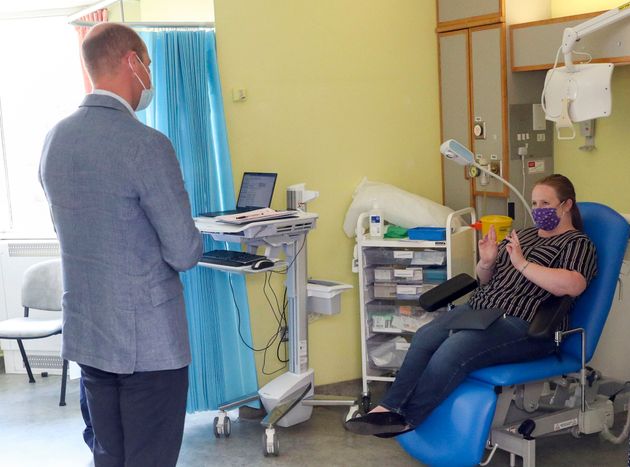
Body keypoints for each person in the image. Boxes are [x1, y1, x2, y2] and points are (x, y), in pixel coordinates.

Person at [39, 23, 202, 466]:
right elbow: (184, 252)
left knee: (108, 454)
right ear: (133, 62)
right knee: (149, 457)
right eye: (147, 63)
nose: (150, 73)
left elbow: (72, 231)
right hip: (148, 346)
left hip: (89, 335)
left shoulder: (55, 140)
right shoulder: (146, 145)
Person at [346, 174, 597, 437]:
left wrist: (522, 263)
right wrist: (487, 261)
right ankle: (387, 408)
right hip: (481, 309)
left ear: (566, 205)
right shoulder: (523, 235)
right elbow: (485, 278)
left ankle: (409, 418)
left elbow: (572, 285)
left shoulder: (577, 243)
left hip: (524, 322)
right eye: (534, 204)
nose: (537, 211)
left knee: (454, 348)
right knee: (425, 336)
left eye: (545, 203)